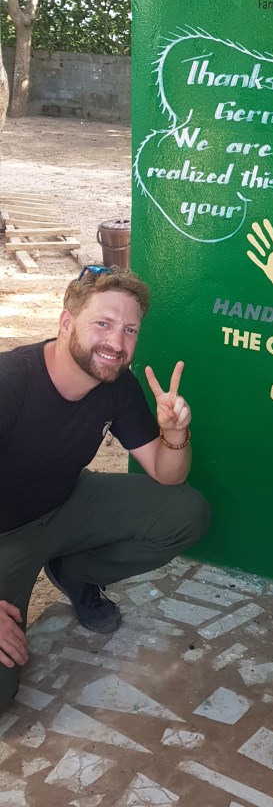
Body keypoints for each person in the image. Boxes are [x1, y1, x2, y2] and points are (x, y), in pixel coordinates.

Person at [0, 264, 210, 714]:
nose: (116, 342)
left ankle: (74, 571)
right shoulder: (11, 380)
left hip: (64, 504)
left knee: (185, 511)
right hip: (6, 537)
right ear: (66, 322)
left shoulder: (117, 384)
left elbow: (168, 475)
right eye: (103, 323)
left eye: (129, 329)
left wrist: (175, 433)